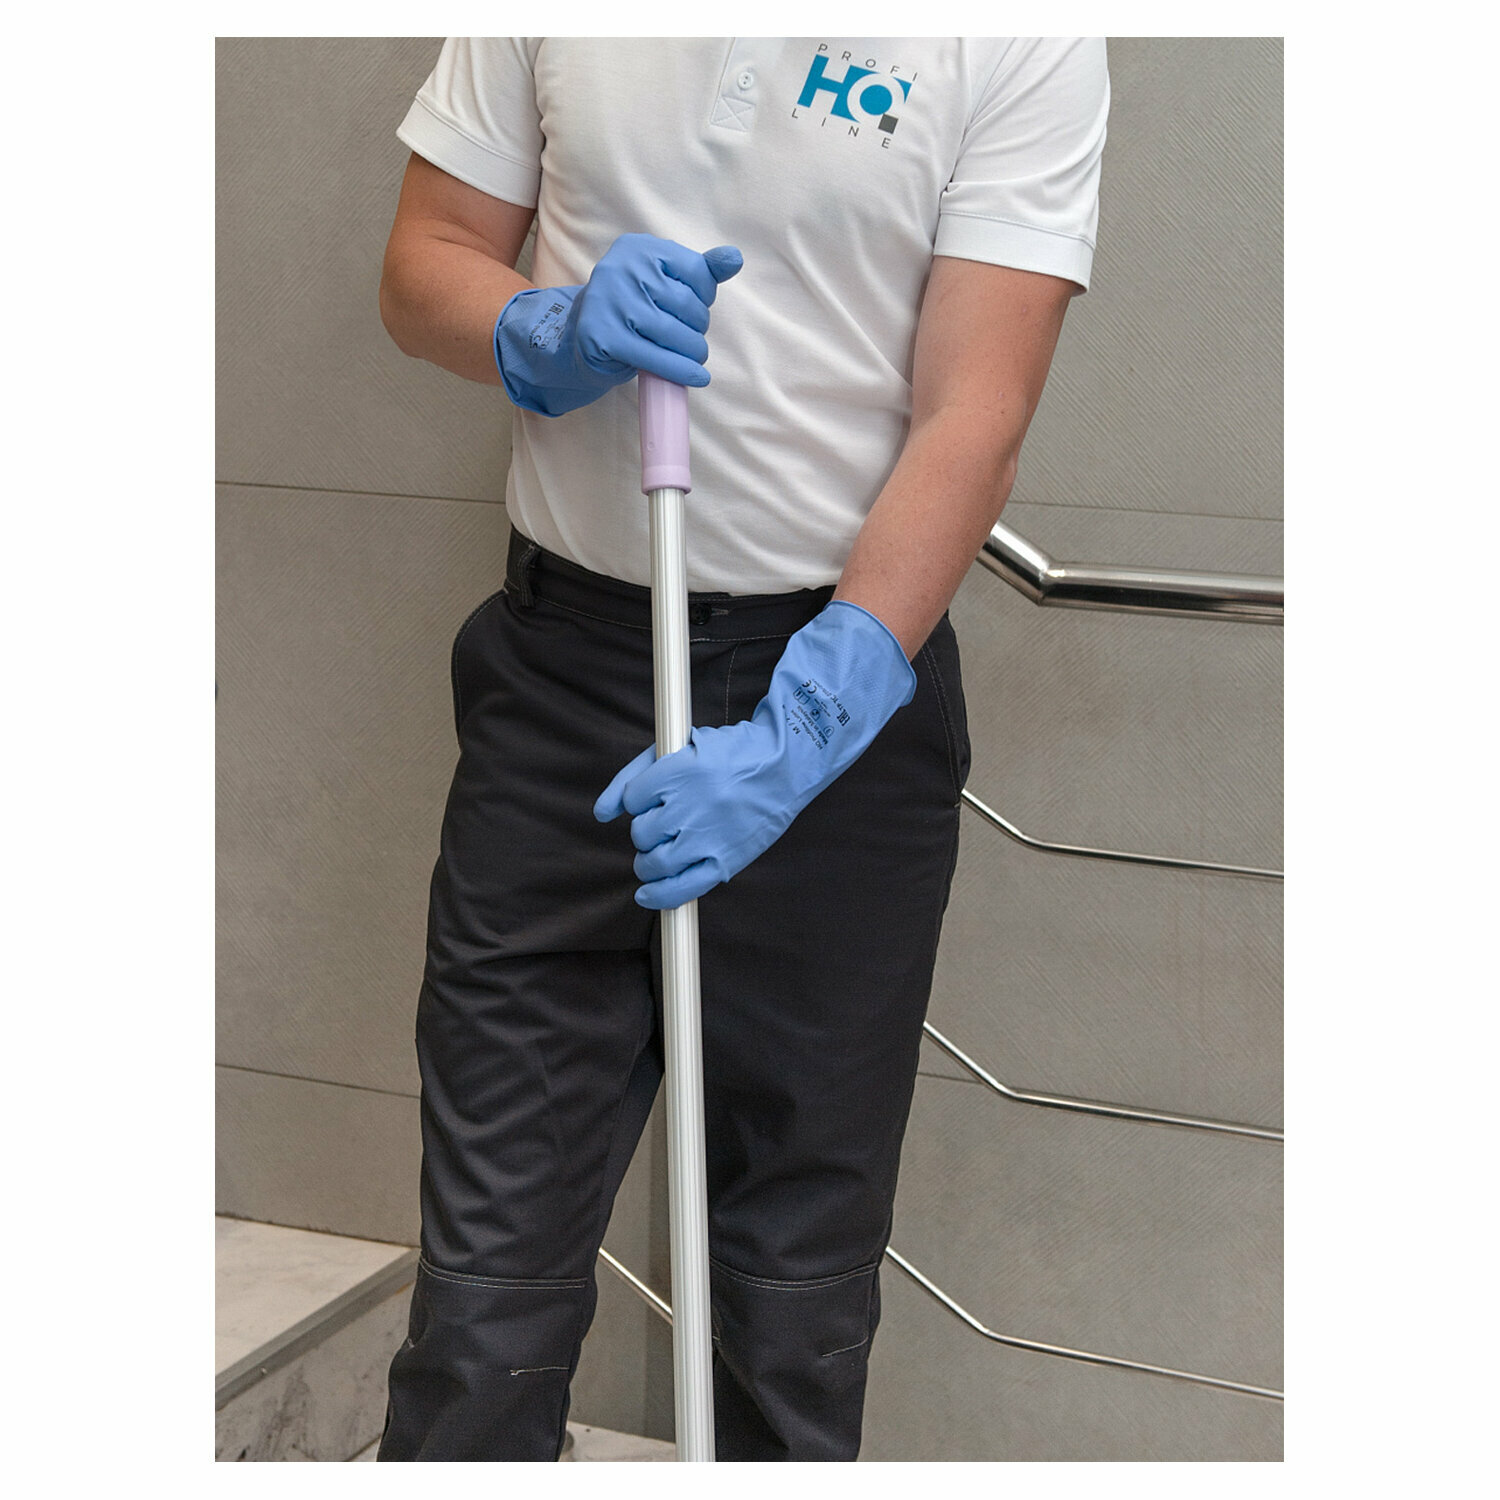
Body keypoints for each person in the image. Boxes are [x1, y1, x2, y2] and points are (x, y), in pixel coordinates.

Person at [373, 37, 1108, 1462]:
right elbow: (427, 261)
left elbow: (978, 412)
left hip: (837, 702)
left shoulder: (1020, 36)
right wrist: (545, 328)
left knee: (792, 1292)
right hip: (562, 689)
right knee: (484, 1295)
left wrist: (806, 727)